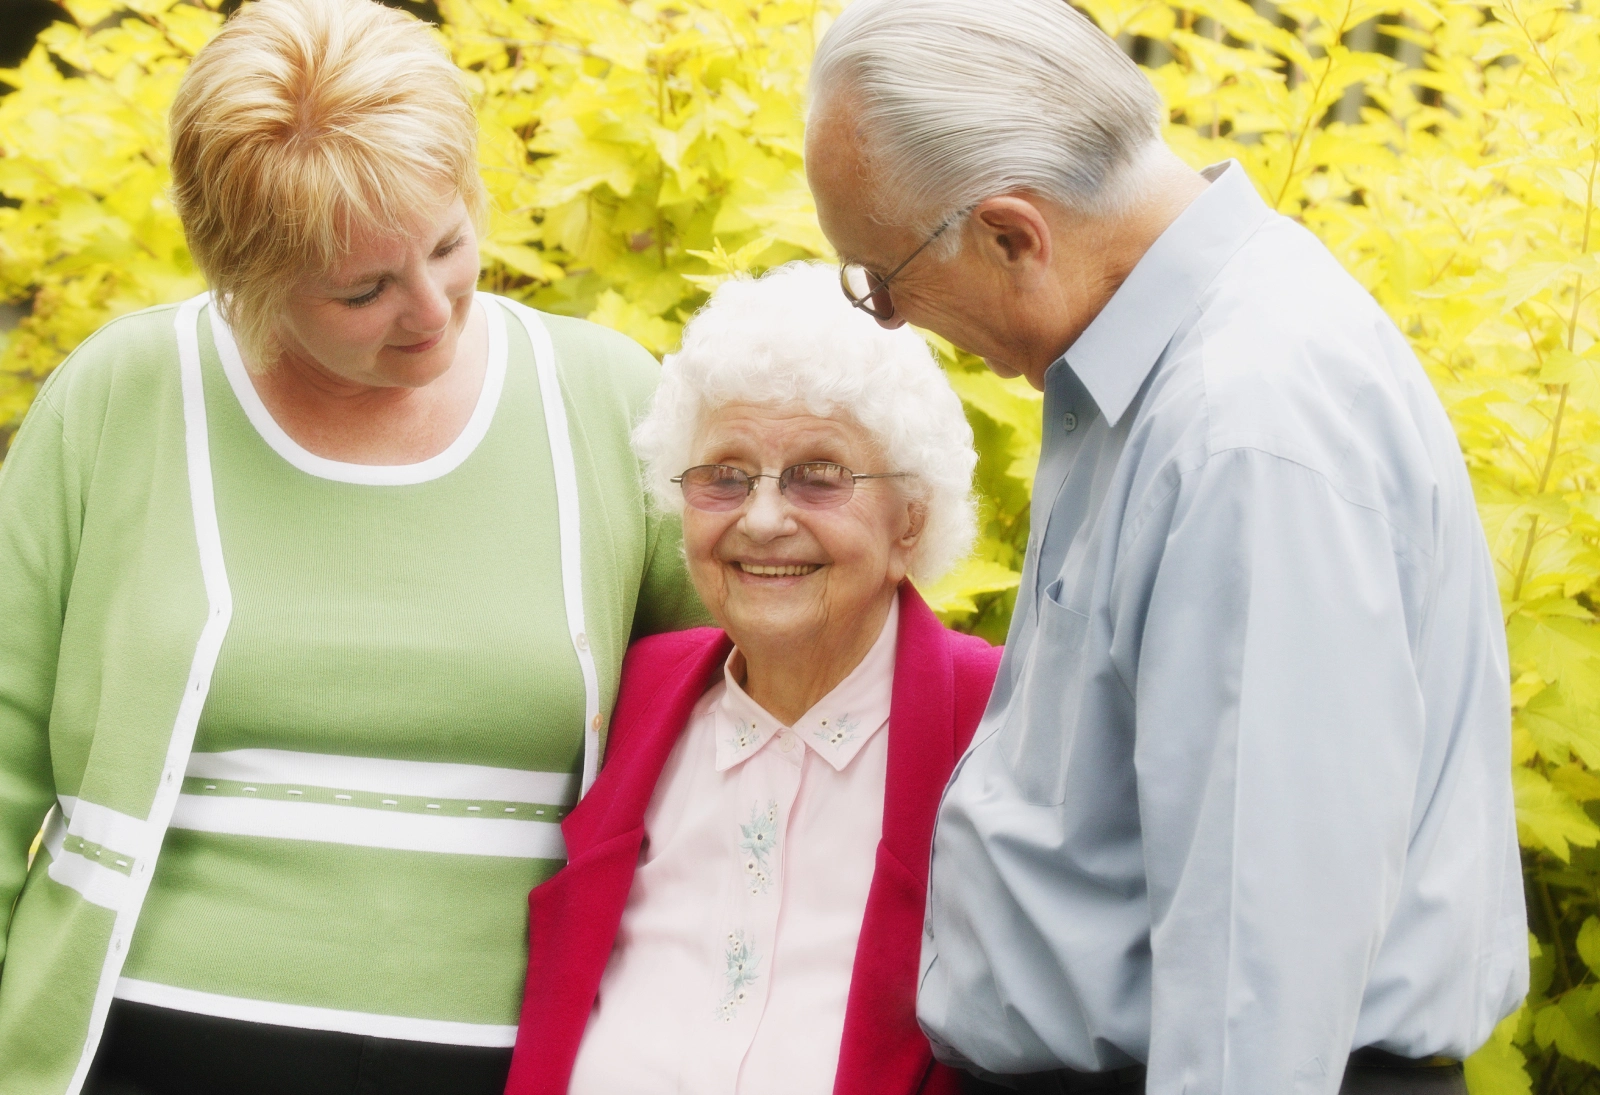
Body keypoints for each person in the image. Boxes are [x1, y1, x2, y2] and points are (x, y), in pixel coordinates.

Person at [803, 2, 1528, 1094]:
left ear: (1011, 235)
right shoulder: (1153, 365)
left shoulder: (1244, 424)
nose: (892, 317)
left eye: (883, 276)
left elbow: (1260, 964)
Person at [0, 1, 704, 1092]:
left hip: (509, 1058)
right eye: (363, 289)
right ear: (249, 278)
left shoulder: (607, 399)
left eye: (448, 245)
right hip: (139, 1042)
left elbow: (727, 730)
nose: (430, 309)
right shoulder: (124, 396)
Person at [504, 261, 1003, 1095]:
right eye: (724, 475)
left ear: (910, 518)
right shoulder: (635, 700)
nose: (763, 518)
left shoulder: (997, 723)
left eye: (819, 475)